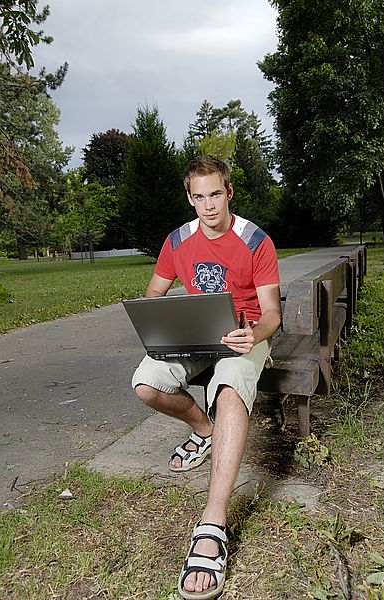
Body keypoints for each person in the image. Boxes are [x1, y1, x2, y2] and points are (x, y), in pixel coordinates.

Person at [131, 155, 281, 599]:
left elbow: (272, 313)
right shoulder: (177, 240)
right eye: (199, 197)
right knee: (146, 383)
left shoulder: (255, 240)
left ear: (229, 192)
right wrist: (164, 324)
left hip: (243, 335)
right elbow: (154, 294)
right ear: (190, 198)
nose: (208, 205)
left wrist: (252, 334)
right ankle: (204, 429)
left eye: (215, 194)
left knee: (231, 385)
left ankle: (212, 524)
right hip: (196, 335)